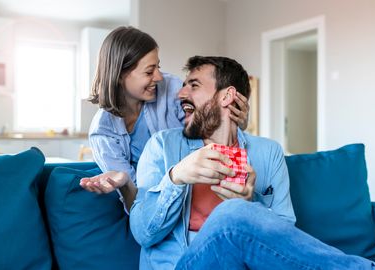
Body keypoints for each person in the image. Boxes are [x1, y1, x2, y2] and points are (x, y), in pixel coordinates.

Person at [126, 56, 375, 269]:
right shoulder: (164, 145)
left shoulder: (267, 152)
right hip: (184, 264)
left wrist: (251, 204)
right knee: (232, 213)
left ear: (227, 96)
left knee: (236, 210)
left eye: (193, 85)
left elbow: (284, 234)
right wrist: (176, 177)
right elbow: (143, 233)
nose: (180, 93)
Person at [79, 27, 249, 209]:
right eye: (149, 71)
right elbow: (138, 204)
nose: (159, 77)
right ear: (120, 75)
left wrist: (237, 123)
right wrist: (125, 183)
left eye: (157, 67)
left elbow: (212, 129)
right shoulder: (103, 133)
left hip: (202, 188)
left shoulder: (171, 88)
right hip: (161, 206)